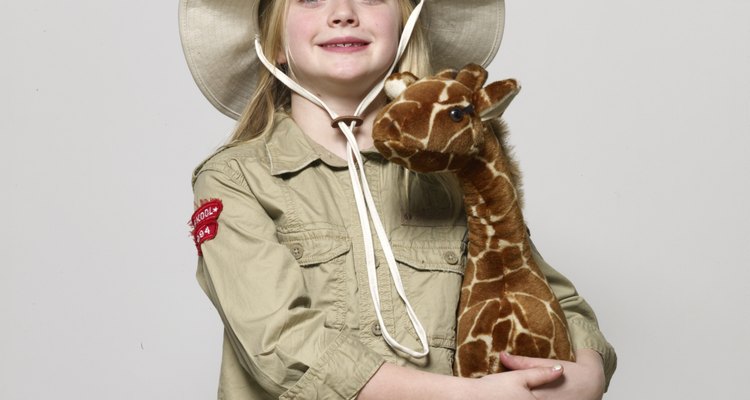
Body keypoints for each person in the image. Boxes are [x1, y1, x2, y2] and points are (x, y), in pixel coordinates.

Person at [179, 0, 617, 399]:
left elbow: (543, 292)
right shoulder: (236, 179)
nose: (343, 12)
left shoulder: (455, 177)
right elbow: (280, 344)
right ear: (274, 42)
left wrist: (589, 371)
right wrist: (463, 397)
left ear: (407, 26)